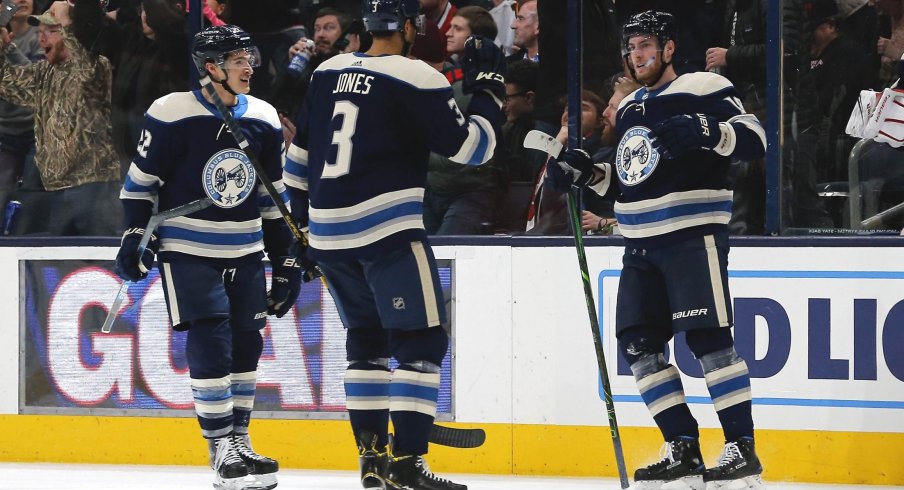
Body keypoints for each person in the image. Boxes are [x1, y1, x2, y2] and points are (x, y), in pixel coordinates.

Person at [283, 0, 505, 487]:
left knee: (366, 343)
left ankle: (372, 460)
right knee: (420, 342)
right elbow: (474, 149)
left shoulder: (326, 72)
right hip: (385, 231)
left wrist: (299, 231)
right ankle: (408, 464)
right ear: (408, 27)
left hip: (327, 234)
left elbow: (296, 163)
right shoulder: (417, 76)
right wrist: (488, 90)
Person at [550, 11, 766, 489]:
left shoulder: (704, 86)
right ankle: (682, 447)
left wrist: (711, 132)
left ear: (669, 48)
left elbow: (755, 139)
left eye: (645, 45)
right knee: (638, 347)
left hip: (691, 236)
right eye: (630, 48)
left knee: (709, 341)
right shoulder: (629, 110)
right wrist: (588, 175)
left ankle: (741, 449)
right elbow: (632, 181)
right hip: (640, 246)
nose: (636, 55)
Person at [115, 25, 302, 490]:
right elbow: (139, 188)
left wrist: (285, 262)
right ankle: (219, 447)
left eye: (249, 58)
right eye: (239, 60)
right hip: (187, 249)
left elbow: (272, 200)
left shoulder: (262, 115)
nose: (249, 67)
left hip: (245, 250)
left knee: (247, 341)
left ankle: (239, 439)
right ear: (211, 67)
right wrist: (135, 233)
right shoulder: (170, 111)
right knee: (212, 334)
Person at [0, 3, 121, 236]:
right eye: (40, 32)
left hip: (95, 188)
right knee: (56, 267)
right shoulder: (44, 72)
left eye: (51, 30)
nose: (42, 38)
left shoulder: (97, 65)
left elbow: (84, 68)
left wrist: (67, 22)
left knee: (103, 265)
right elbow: (5, 82)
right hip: (53, 190)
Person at [0, 0, 43, 215]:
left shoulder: (43, 35)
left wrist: (9, 47)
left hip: (36, 132)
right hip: (5, 134)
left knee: (31, 196)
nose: (23, 0)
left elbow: (37, 81)